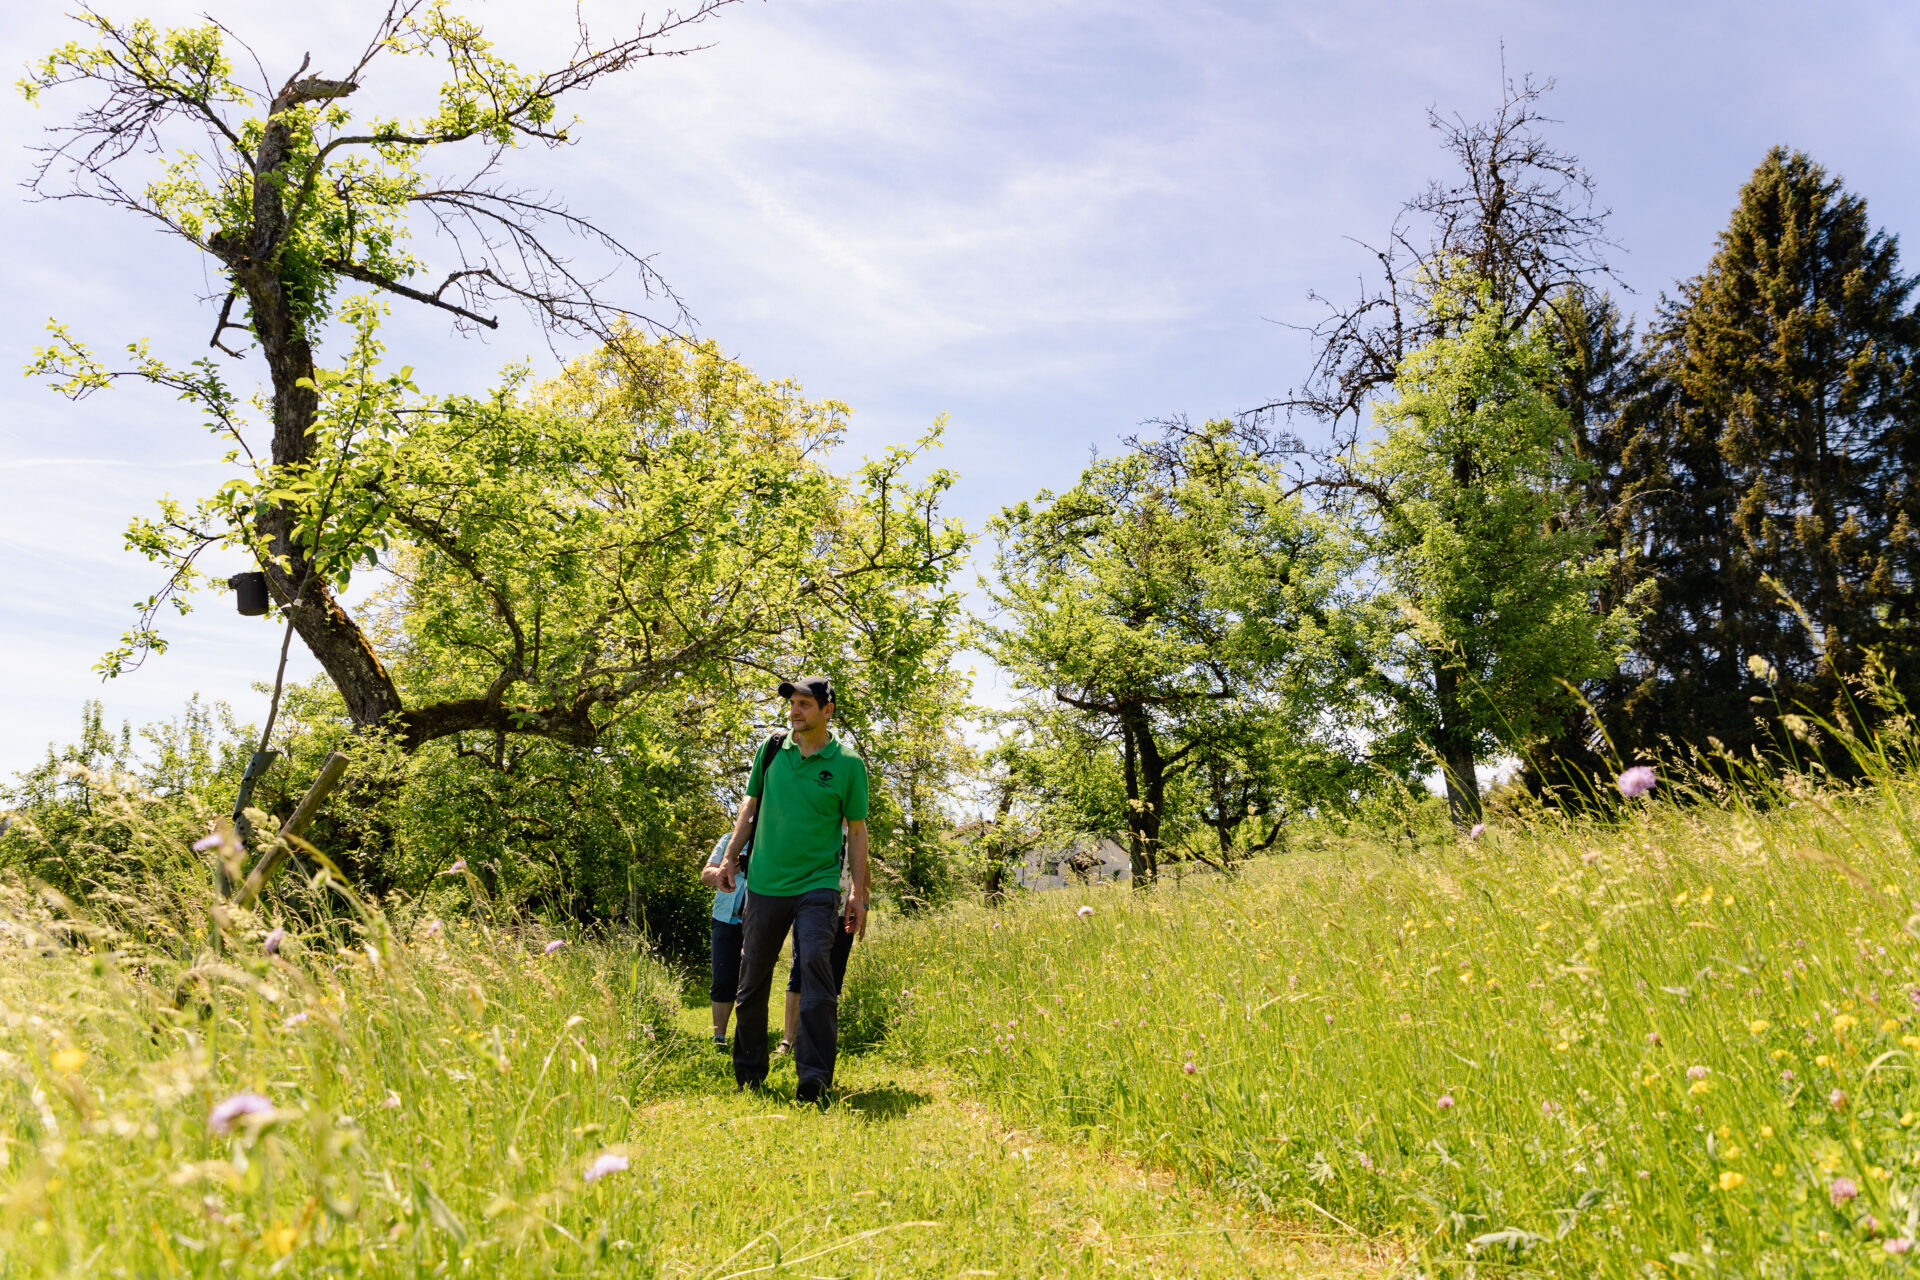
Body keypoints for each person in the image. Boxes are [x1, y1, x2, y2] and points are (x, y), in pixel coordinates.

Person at [717, 675, 869, 1102]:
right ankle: (749, 1075)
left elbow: (857, 832)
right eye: (793, 703)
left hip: (818, 886)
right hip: (765, 884)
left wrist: (858, 892)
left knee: (817, 974)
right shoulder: (770, 751)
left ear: (827, 711)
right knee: (751, 981)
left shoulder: (847, 765)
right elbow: (749, 807)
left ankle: (814, 1079)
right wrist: (730, 857)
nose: (795, 710)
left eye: (805, 703)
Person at [699, 831, 748, 1050]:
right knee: (723, 977)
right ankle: (719, 1037)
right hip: (725, 918)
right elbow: (706, 875)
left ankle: (748, 1035)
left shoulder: (775, 837)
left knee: (753, 979)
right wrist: (733, 868)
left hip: (760, 919)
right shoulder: (729, 840)